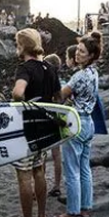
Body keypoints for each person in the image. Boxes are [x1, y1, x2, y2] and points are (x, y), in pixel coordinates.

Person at [10, 28, 61, 217]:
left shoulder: (25, 68)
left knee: (24, 176)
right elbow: (58, 98)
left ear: (22, 46)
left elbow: (17, 92)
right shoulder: (50, 68)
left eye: (17, 44)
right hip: (46, 130)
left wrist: (20, 104)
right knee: (39, 171)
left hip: (27, 130)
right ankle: (42, 216)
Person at [54, 32, 101, 217]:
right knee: (84, 168)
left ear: (90, 56)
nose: (77, 54)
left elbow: (60, 97)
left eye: (82, 52)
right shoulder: (94, 73)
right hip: (89, 122)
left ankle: (72, 211)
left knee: (72, 169)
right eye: (78, 51)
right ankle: (85, 207)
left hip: (75, 122)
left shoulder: (79, 76)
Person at [43, 53, 63, 198]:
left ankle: (41, 184)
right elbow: (61, 100)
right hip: (57, 118)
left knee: (42, 154)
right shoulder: (60, 81)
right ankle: (57, 185)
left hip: (45, 119)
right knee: (57, 155)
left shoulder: (44, 81)